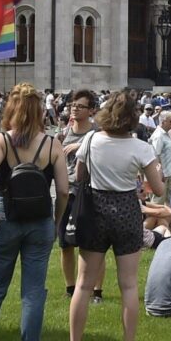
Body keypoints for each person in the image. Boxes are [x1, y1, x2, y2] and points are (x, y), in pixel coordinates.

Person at [0, 83, 69, 341]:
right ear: (40, 111)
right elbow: (63, 191)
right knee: (34, 290)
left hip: (5, 213)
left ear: (10, 109)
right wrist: (56, 220)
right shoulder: (52, 144)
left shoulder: (1, 140)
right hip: (40, 219)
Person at [69, 89, 165, 341]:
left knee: (84, 283)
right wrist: (155, 172)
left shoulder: (90, 140)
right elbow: (157, 189)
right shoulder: (141, 148)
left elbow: (79, 176)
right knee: (129, 284)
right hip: (126, 209)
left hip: (95, 208)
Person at [58, 90, 104, 303]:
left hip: (88, 192)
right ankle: (70, 287)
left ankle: (96, 290)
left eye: (80, 106)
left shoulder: (97, 134)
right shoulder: (64, 131)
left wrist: (83, 145)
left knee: (92, 244)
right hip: (66, 190)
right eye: (73, 105)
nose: (74, 108)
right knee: (65, 243)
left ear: (91, 110)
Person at [149, 109, 171, 205]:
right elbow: (155, 156)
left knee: (167, 202)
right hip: (162, 176)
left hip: (168, 174)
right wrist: (159, 174)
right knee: (158, 203)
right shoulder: (159, 136)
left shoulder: (165, 134)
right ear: (163, 122)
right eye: (170, 121)